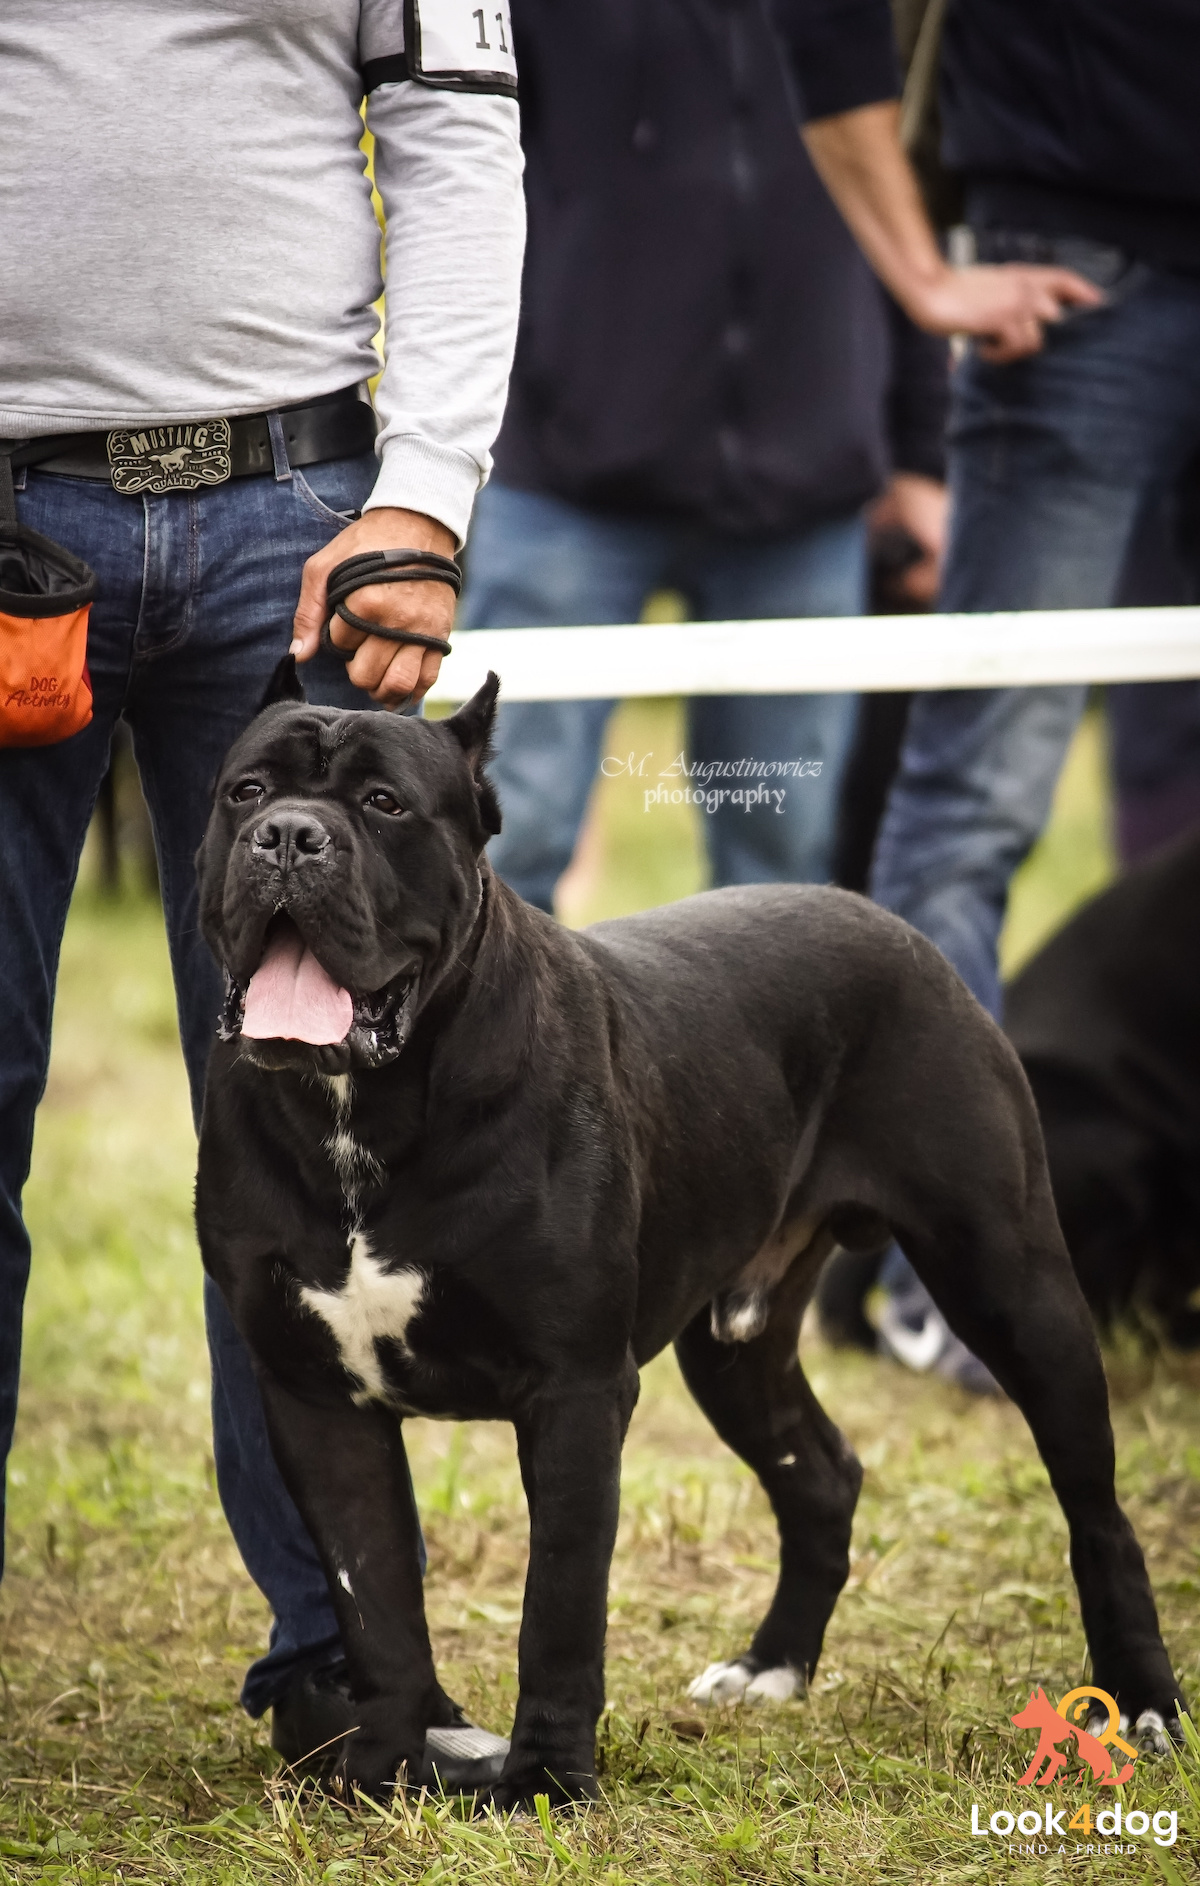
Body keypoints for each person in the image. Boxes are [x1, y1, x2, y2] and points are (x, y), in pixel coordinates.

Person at [0, 1, 523, 1779]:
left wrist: (430, 493)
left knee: (313, 1109)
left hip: (300, 522)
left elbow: (459, 126)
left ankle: (346, 1673)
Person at [458, 0, 1098, 915]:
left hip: (803, 508)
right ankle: (498, 1060)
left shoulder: (859, 19)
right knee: (512, 838)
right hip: (566, 488)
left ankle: (752, 1064)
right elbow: (460, 182)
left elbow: (898, 224)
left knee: (778, 858)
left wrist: (920, 460)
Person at [866, 0, 1200, 1388]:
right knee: (977, 793)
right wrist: (918, 269)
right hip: (1071, 247)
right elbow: (818, 27)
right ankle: (931, 1275)